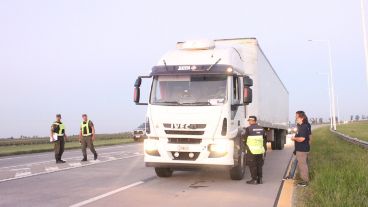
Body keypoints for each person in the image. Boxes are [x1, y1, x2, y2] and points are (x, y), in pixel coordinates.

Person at [244, 116, 267, 184]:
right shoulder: (262, 129)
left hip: (251, 150)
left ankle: (254, 179)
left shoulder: (248, 129)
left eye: (249, 121)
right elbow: (264, 139)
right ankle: (260, 179)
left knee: (252, 165)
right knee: (259, 165)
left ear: (253, 121)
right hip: (260, 150)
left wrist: (246, 146)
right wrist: (264, 150)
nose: (249, 122)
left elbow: (244, 139)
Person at [291, 111, 311, 187]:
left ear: (302, 118)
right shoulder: (301, 126)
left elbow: (302, 139)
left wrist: (294, 138)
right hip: (301, 149)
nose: (296, 118)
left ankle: (305, 181)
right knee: (302, 165)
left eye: (297, 117)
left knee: (303, 165)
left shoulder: (303, 127)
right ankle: (304, 180)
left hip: (302, 149)